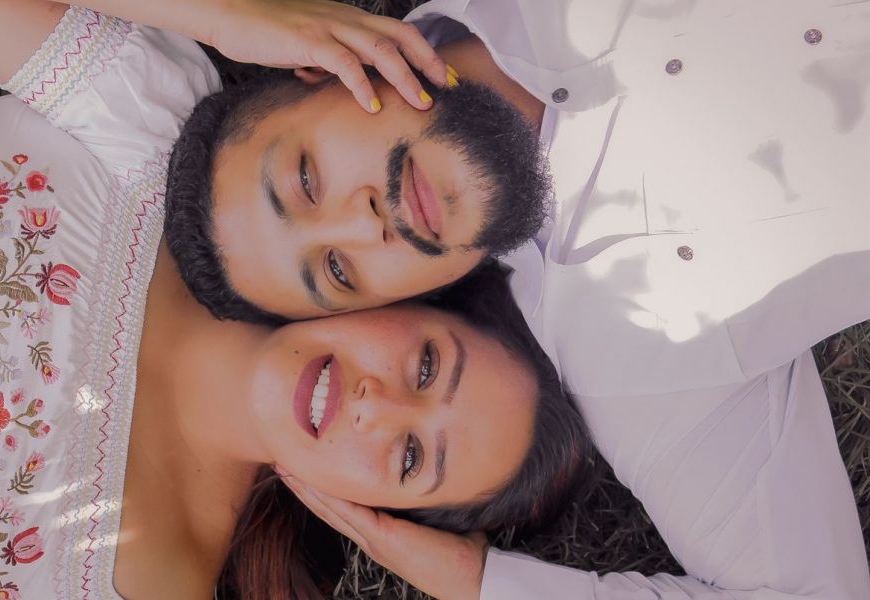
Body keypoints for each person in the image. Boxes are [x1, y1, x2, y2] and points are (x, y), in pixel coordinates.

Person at [0, 2, 590, 599]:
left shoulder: (147, 584)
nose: (378, 404)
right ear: (406, 299)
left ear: (376, 516)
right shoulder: (154, 132)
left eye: (408, 457)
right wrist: (226, 17)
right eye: (427, 367)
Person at [275, 1, 870, 599]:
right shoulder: (638, 364)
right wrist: (473, 584)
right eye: (410, 458)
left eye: (303, 180)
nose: (371, 402)